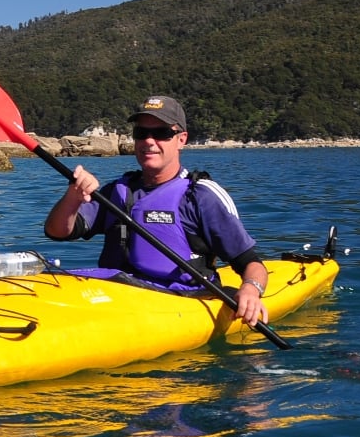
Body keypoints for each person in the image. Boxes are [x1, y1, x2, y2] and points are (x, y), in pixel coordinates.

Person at [41, 94, 270, 326]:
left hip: (178, 299)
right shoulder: (117, 191)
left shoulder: (200, 196)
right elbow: (57, 231)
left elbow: (251, 263)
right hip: (115, 293)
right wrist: (73, 197)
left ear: (181, 139)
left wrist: (251, 289)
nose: (149, 141)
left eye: (161, 133)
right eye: (142, 133)